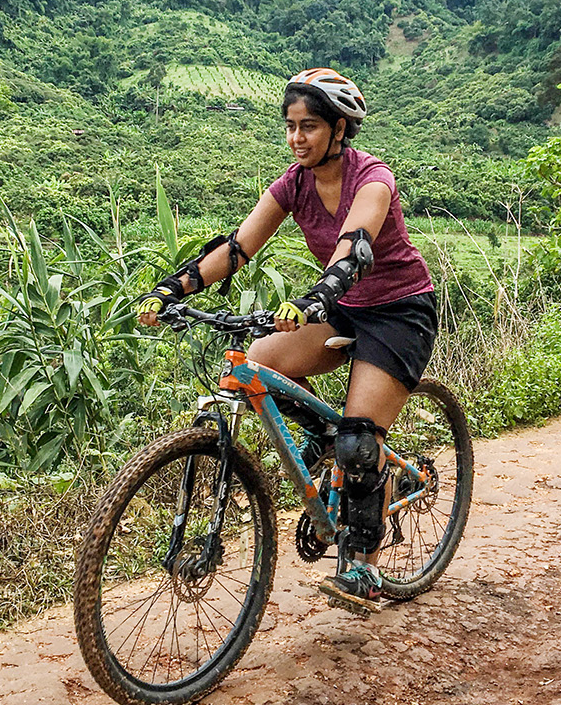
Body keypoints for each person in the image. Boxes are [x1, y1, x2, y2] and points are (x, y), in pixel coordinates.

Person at [136, 67, 438, 613]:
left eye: (311, 126)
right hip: (341, 307)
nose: (297, 138)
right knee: (258, 366)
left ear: (341, 129)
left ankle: (364, 565)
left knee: (360, 443)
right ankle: (331, 437)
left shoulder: (373, 179)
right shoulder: (293, 184)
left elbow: (355, 247)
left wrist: (314, 298)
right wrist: (172, 288)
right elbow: (236, 248)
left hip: (398, 312)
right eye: (291, 126)